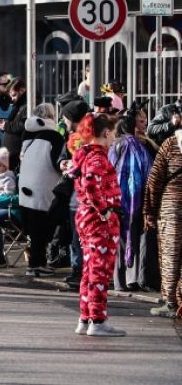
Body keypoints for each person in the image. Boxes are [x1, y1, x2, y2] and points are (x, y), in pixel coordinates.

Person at [68, 114, 126, 337]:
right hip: (99, 220)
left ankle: (85, 317)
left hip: (85, 217)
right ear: (105, 133)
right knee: (100, 272)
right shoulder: (97, 157)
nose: (114, 138)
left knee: (90, 270)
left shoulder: (83, 155)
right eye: (113, 133)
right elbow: (92, 182)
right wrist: (104, 209)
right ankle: (98, 320)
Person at [109, 105, 156, 292]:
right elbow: (149, 172)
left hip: (118, 199)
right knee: (135, 238)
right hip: (139, 199)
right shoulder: (141, 145)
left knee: (121, 239)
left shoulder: (116, 145)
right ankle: (133, 279)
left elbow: (109, 169)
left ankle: (120, 281)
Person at [18, 108, 70, 277]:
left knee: (34, 229)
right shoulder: (54, 137)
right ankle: (37, 264)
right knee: (43, 227)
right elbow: (57, 162)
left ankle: (35, 263)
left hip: (26, 187)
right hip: (43, 187)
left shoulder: (27, 136)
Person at [145, 118, 182, 318]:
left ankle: (171, 302)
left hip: (171, 207)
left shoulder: (170, 143)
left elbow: (155, 179)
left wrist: (148, 210)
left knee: (170, 254)